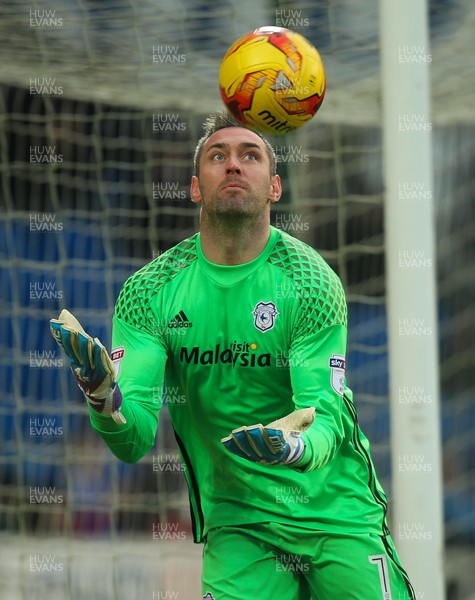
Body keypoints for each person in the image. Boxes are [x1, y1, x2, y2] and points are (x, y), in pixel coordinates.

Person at [50, 112, 415, 600]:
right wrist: (102, 399)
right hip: (239, 521)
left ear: (276, 187)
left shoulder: (311, 281)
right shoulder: (149, 291)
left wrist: (294, 447)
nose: (234, 166)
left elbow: (325, 415)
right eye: (218, 156)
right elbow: (133, 438)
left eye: (251, 155)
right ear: (196, 187)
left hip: (335, 511)